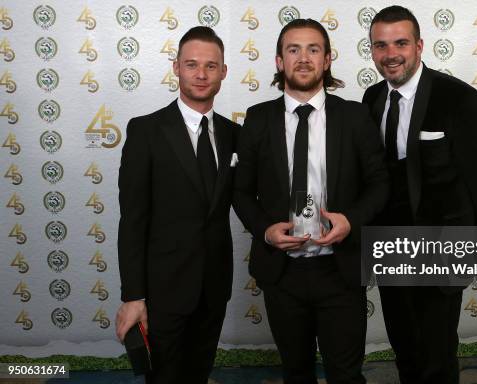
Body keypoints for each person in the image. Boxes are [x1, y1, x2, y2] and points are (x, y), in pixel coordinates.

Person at [233, 18, 388, 384]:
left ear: (328, 59)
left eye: (313, 49)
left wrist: (351, 220)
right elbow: (240, 191)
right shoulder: (257, 119)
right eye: (293, 49)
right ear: (278, 61)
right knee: (295, 373)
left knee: (346, 375)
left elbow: (380, 184)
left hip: (341, 270)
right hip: (282, 273)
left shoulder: (354, 117)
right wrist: (266, 231)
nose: (303, 58)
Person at [362, 6, 477, 384]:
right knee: (404, 346)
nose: (390, 53)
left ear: (419, 45)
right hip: (390, 245)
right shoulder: (371, 98)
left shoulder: (458, 98)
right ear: (372, 50)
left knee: (436, 351)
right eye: (380, 45)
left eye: (400, 43)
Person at [115, 26, 240, 383]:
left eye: (211, 66)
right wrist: (134, 296)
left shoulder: (236, 135)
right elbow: (133, 220)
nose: (201, 75)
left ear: (224, 72)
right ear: (176, 68)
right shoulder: (145, 131)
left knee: (198, 375)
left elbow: (247, 198)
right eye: (191, 65)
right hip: (163, 291)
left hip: (214, 287)